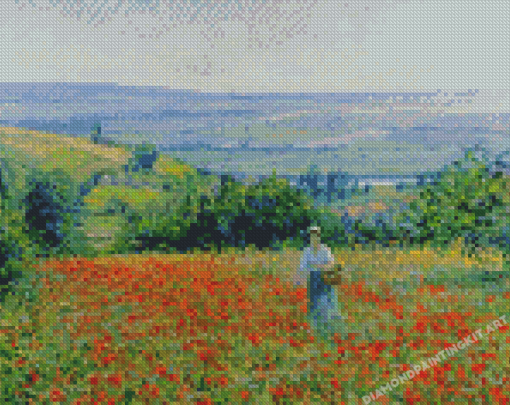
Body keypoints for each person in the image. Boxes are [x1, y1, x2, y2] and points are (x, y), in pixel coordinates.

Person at [293, 226, 343, 338]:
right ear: (310, 237)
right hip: (313, 281)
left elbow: (331, 264)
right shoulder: (307, 251)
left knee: (327, 304)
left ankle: (330, 330)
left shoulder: (325, 250)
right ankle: (316, 332)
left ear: (319, 236)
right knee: (314, 305)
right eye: (312, 235)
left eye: (316, 235)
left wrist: (317, 266)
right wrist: (299, 277)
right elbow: (302, 267)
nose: (314, 237)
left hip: (325, 280)